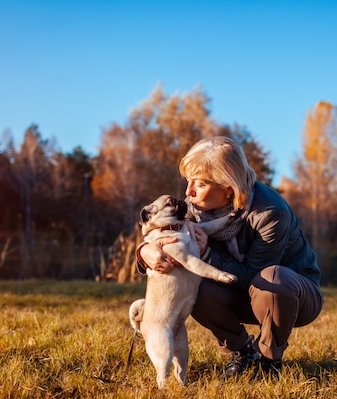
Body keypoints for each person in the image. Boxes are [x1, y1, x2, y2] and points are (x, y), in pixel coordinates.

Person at [137, 136, 323, 379]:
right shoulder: (194, 206)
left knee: (273, 278)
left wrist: (206, 254)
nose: (188, 192)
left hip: (290, 296)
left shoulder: (270, 212)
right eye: (188, 181)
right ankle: (243, 351)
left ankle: (269, 361)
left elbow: (253, 277)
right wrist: (144, 252)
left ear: (228, 188)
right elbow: (161, 232)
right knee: (195, 286)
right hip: (238, 293)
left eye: (199, 184)